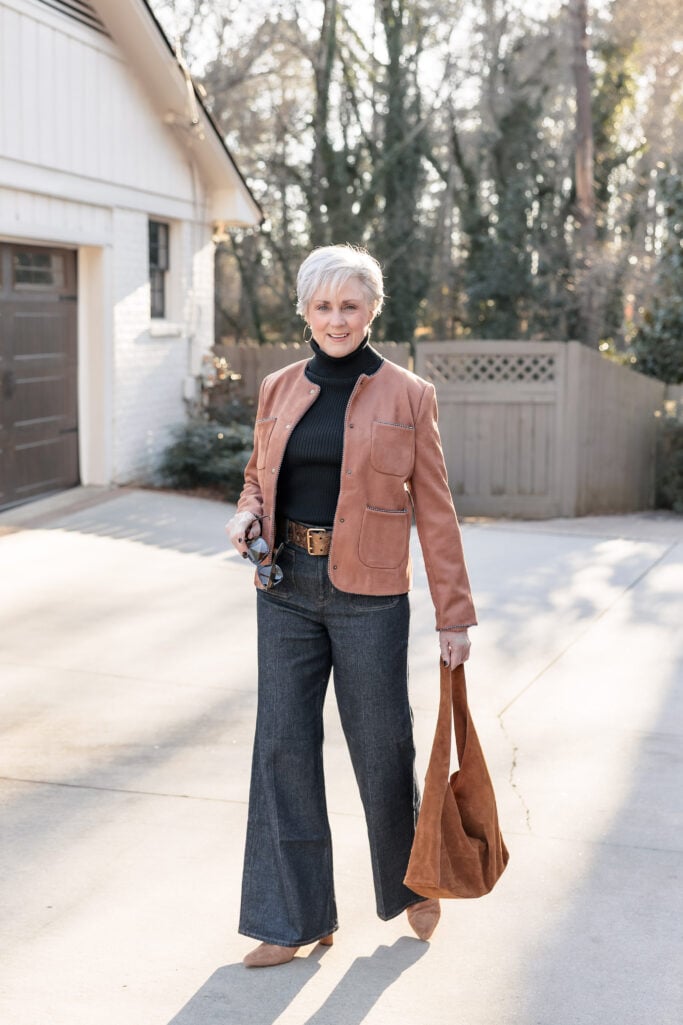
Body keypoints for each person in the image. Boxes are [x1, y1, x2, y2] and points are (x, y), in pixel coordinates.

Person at [226, 244, 477, 968]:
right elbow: (257, 474)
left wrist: (452, 614)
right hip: (283, 588)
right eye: (323, 305)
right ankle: (293, 916)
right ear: (303, 309)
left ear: (372, 309)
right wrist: (245, 512)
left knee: (381, 746)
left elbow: (436, 511)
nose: (337, 318)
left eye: (350, 304)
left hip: (369, 594)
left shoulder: (408, 393)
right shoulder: (277, 386)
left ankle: (414, 882)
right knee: (282, 749)